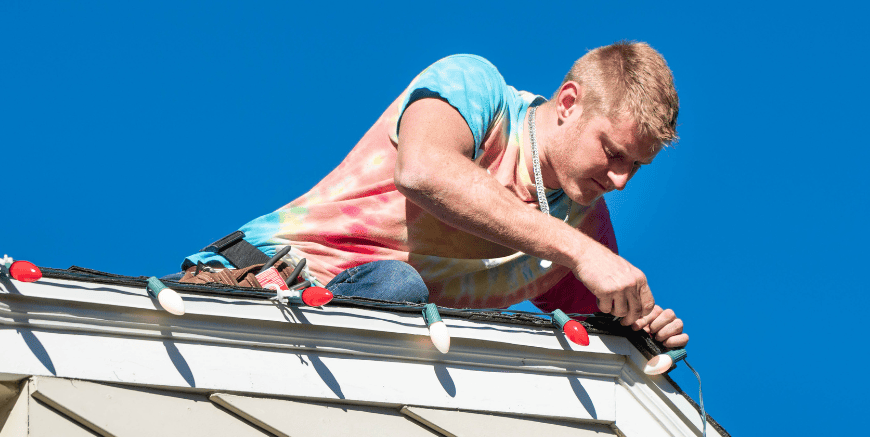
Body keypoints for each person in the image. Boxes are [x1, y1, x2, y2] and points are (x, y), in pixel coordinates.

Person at [182, 41, 687, 349]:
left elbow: (607, 334)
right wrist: (577, 251)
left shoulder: (583, 228)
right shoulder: (476, 87)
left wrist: (647, 329)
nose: (620, 181)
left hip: (371, 340)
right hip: (254, 282)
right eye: (614, 153)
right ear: (570, 103)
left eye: (636, 168)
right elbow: (423, 169)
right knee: (401, 287)